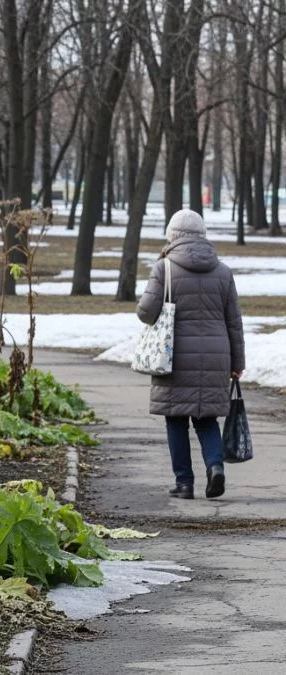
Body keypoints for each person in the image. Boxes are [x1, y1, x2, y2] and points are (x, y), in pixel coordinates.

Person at [137, 209, 245, 500]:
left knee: (175, 419)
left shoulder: (165, 268)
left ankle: (184, 484)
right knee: (206, 418)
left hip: (175, 355)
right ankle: (216, 466)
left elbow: (146, 312)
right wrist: (238, 364)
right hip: (215, 355)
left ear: (172, 236)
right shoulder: (223, 271)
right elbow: (234, 321)